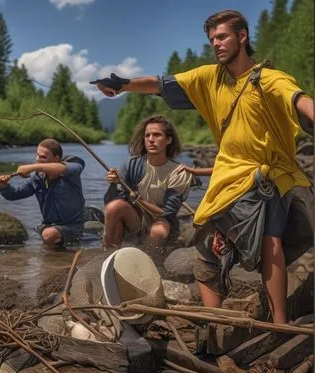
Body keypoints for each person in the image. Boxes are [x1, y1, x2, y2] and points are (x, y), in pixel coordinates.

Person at [91, 9, 314, 324]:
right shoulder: (210, 78)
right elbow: (161, 83)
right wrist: (123, 84)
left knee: (268, 243)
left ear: (242, 36)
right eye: (212, 40)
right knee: (213, 249)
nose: (216, 44)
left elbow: (298, 100)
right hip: (229, 178)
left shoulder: (269, 78)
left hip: (269, 176)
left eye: (222, 36)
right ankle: (219, 320)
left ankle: (275, 322)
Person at [104, 115, 193, 252]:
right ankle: (108, 253)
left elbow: (168, 213)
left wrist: (140, 201)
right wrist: (114, 184)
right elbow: (115, 200)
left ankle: (148, 261)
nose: (151, 140)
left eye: (157, 135)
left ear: (168, 140)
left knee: (158, 231)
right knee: (113, 207)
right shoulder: (132, 164)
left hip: (162, 220)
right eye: (147, 136)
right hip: (136, 219)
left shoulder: (179, 172)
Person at [0, 138, 86, 249]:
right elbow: (14, 194)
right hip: (48, 225)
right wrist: (4, 186)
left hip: (73, 227)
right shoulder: (38, 178)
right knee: (48, 235)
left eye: (43, 157)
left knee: (48, 235)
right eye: (37, 155)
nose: (38, 159)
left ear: (56, 159)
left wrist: (31, 167)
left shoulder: (73, 168)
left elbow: (61, 169)